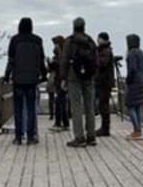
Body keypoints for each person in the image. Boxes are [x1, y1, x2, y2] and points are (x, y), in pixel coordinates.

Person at [3, 17, 46, 145]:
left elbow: (11, 60)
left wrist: (7, 75)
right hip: (32, 79)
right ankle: (31, 136)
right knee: (31, 108)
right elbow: (41, 59)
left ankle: (18, 136)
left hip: (18, 79)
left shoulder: (15, 40)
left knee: (18, 108)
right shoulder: (37, 40)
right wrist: (43, 75)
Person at [62, 17, 99, 147]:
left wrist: (63, 77)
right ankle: (91, 136)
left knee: (76, 106)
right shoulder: (90, 41)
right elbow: (96, 60)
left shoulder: (69, 41)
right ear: (84, 26)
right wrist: (92, 74)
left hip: (73, 76)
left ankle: (79, 137)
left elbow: (65, 60)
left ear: (74, 26)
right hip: (88, 77)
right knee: (89, 106)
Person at [124, 33, 143, 140]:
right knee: (138, 106)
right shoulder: (141, 52)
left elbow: (132, 69)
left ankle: (136, 129)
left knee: (130, 105)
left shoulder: (132, 53)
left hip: (134, 82)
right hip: (141, 80)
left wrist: (128, 79)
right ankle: (138, 130)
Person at [95, 32, 117, 136]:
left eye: (99, 38)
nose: (97, 40)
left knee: (103, 105)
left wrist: (95, 57)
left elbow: (102, 63)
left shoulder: (106, 51)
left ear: (103, 39)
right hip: (102, 81)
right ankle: (104, 127)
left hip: (105, 82)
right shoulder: (102, 50)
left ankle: (105, 128)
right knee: (102, 104)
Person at [48, 35, 70, 131]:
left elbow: (63, 64)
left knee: (59, 101)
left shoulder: (63, 54)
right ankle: (65, 122)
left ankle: (58, 123)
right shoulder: (57, 55)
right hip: (59, 79)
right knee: (62, 102)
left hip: (62, 80)